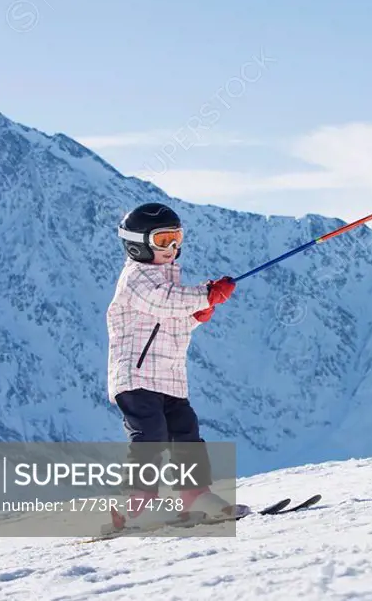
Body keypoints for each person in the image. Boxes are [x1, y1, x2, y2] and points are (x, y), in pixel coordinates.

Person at [107, 202, 244, 524]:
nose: (172, 247)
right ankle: (133, 501)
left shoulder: (166, 280)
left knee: (186, 434)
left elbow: (170, 318)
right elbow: (163, 301)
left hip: (169, 378)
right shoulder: (137, 279)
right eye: (163, 240)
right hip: (137, 377)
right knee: (150, 435)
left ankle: (195, 494)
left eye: (176, 238)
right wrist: (205, 295)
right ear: (137, 244)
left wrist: (196, 315)